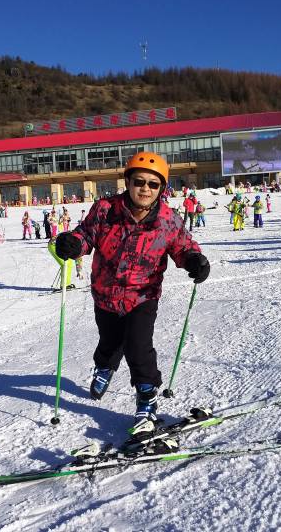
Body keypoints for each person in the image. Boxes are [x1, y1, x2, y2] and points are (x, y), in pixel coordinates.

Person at [53, 151, 210, 430]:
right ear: (127, 181)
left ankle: (147, 398)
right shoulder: (105, 210)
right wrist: (74, 245)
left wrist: (195, 261)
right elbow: (86, 235)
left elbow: (183, 247)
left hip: (143, 296)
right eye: (139, 181)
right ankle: (104, 367)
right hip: (105, 293)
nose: (145, 189)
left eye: (153, 184)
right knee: (109, 342)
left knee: (139, 348)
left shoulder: (168, 220)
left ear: (161, 188)